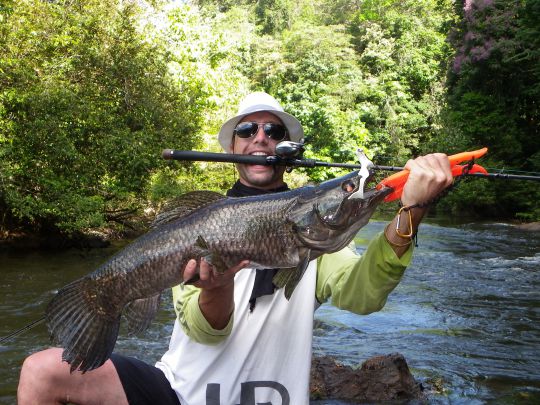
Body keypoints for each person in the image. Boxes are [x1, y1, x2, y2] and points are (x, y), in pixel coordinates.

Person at [18, 92, 453, 404]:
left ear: (287, 148)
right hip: (180, 393)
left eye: (273, 130)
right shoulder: (204, 222)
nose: (259, 137)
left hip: (273, 397)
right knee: (41, 372)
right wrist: (215, 287)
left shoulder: (320, 243)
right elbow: (204, 329)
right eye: (247, 130)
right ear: (233, 147)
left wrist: (411, 211)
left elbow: (364, 296)